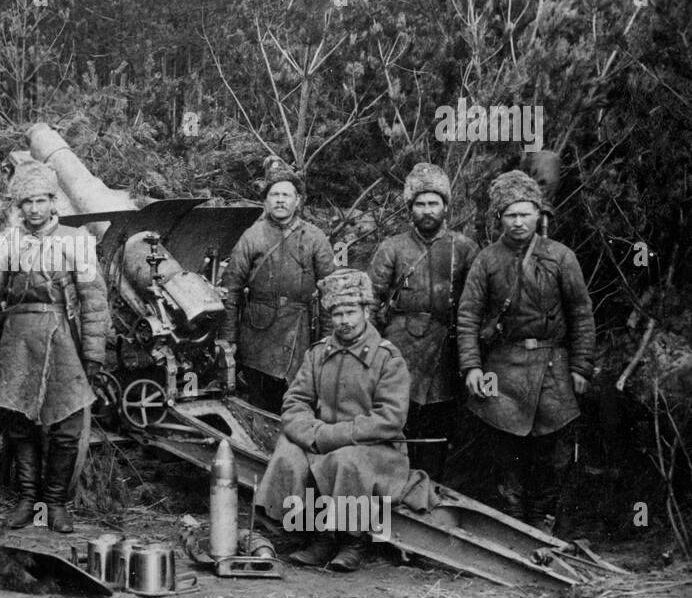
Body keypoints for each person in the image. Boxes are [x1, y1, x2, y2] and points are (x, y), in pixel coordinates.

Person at [255, 269, 434, 572]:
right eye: (337, 313)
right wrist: (311, 433)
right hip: (324, 441)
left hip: (378, 452)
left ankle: (354, 540)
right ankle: (317, 535)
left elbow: (389, 419)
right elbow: (295, 402)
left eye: (351, 311)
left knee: (346, 460)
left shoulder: (386, 358)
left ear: (366, 311)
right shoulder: (318, 354)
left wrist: (330, 436)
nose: (344, 321)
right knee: (289, 449)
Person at [456, 170, 595, 533]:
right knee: (504, 452)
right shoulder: (487, 260)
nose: (518, 222)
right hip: (503, 366)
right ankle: (512, 523)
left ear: (538, 214)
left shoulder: (561, 257)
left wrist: (581, 366)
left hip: (553, 366)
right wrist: (471, 367)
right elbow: (468, 316)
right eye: (509, 215)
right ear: (499, 218)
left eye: (524, 213)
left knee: (552, 454)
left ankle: (541, 522)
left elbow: (581, 313)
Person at [0, 161, 110, 534]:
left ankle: (56, 503)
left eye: (41, 201)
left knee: (66, 428)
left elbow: (93, 301)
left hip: (63, 339)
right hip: (17, 340)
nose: (34, 209)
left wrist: (94, 356)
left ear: (54, 202)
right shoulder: (4, 242)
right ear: (18, 206)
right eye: (27, 202)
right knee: (20, 425)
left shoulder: (77, 240)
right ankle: (26, 500)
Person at [367, 163, 478, 482]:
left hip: (445, 353)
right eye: (420, 203)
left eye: (434, 203)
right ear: (410, 208)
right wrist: (375, 353)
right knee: (397, 422)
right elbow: (371, 301)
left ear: (445, 206)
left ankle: (429, 493)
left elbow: (476, 305)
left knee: (438, 427)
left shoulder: (465, 248)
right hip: (400, 350)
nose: (427, 210)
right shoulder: (393, 248)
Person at [220, 157, 335, 414]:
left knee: (299, 403)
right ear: (266, 201)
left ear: (297, 201)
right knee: (260, 403)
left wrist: (327, 339)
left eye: (286, 195)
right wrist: (229, 338)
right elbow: (231, 290)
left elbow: (332, 293)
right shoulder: (252, 236)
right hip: (257, 335)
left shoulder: (315, 237)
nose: (280, 200)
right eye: (274, 194)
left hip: (302, 333)